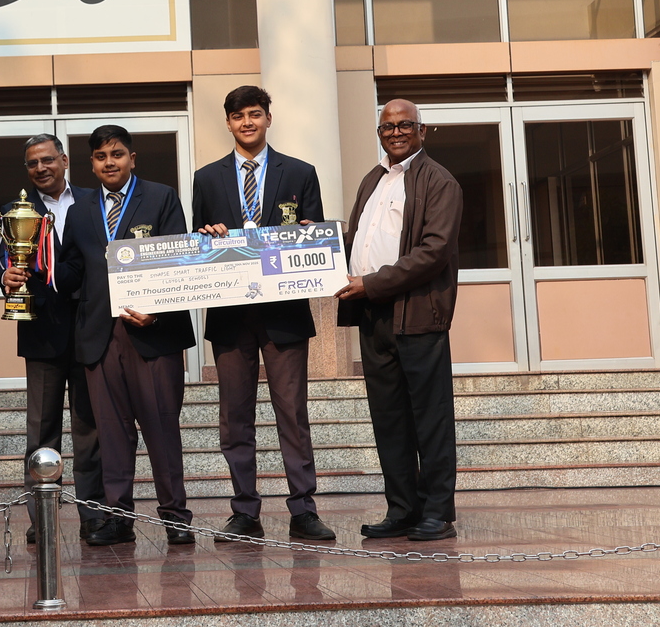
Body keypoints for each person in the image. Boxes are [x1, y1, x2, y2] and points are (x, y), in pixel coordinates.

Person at [6, 125, 196, 546]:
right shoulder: (83, 211)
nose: (109, 162)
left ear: (132, 158)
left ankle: (176, 517)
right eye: (101, 156)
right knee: (110, 434)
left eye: (117, 154)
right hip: (99, 336)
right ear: (90, 164)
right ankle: (117, 518)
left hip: (151, 333)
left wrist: (157, 311)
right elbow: (72, 272)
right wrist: (31, 265)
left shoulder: (161, 197)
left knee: (161, 430)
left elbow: (178, 259)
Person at [192, 85, 335, 542]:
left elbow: (314, 235)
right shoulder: (206, 178)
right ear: (228, 123)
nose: (247, 122)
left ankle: (303, 510)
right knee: (235, 417)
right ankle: (244, 511)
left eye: (255, 114)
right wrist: (207, 235)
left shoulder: (300, 172)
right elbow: (198, 244)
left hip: (284, 314)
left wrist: (312, 234)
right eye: (238, 116)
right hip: (230, 316)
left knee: (292, 413)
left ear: (268, 118)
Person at [336, 99, 464, 542]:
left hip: (418, 315)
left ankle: (437, 513)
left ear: (421, 130)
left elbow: (433, 251)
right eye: (387, 127)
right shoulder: (373, 179)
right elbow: (360, 239)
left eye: (405, 125)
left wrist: (371, 283)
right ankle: (403, 509)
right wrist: (317, 242)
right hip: (373, 316)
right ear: (380, 133)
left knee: (430, 418)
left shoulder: (438, 181)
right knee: (389, 419)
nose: (395, 133)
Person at [4, 134, 104, 543]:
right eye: (32, 163)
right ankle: (40, 519)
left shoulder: (94, 200)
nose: (41, 168)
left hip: (89, 330)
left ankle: (94, 516)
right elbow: (0, 259)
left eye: (47, 160)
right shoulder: (14, 212)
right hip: (41, 333)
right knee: (41, 434)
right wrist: (5, 275)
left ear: (64, 160)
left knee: (90, 432)